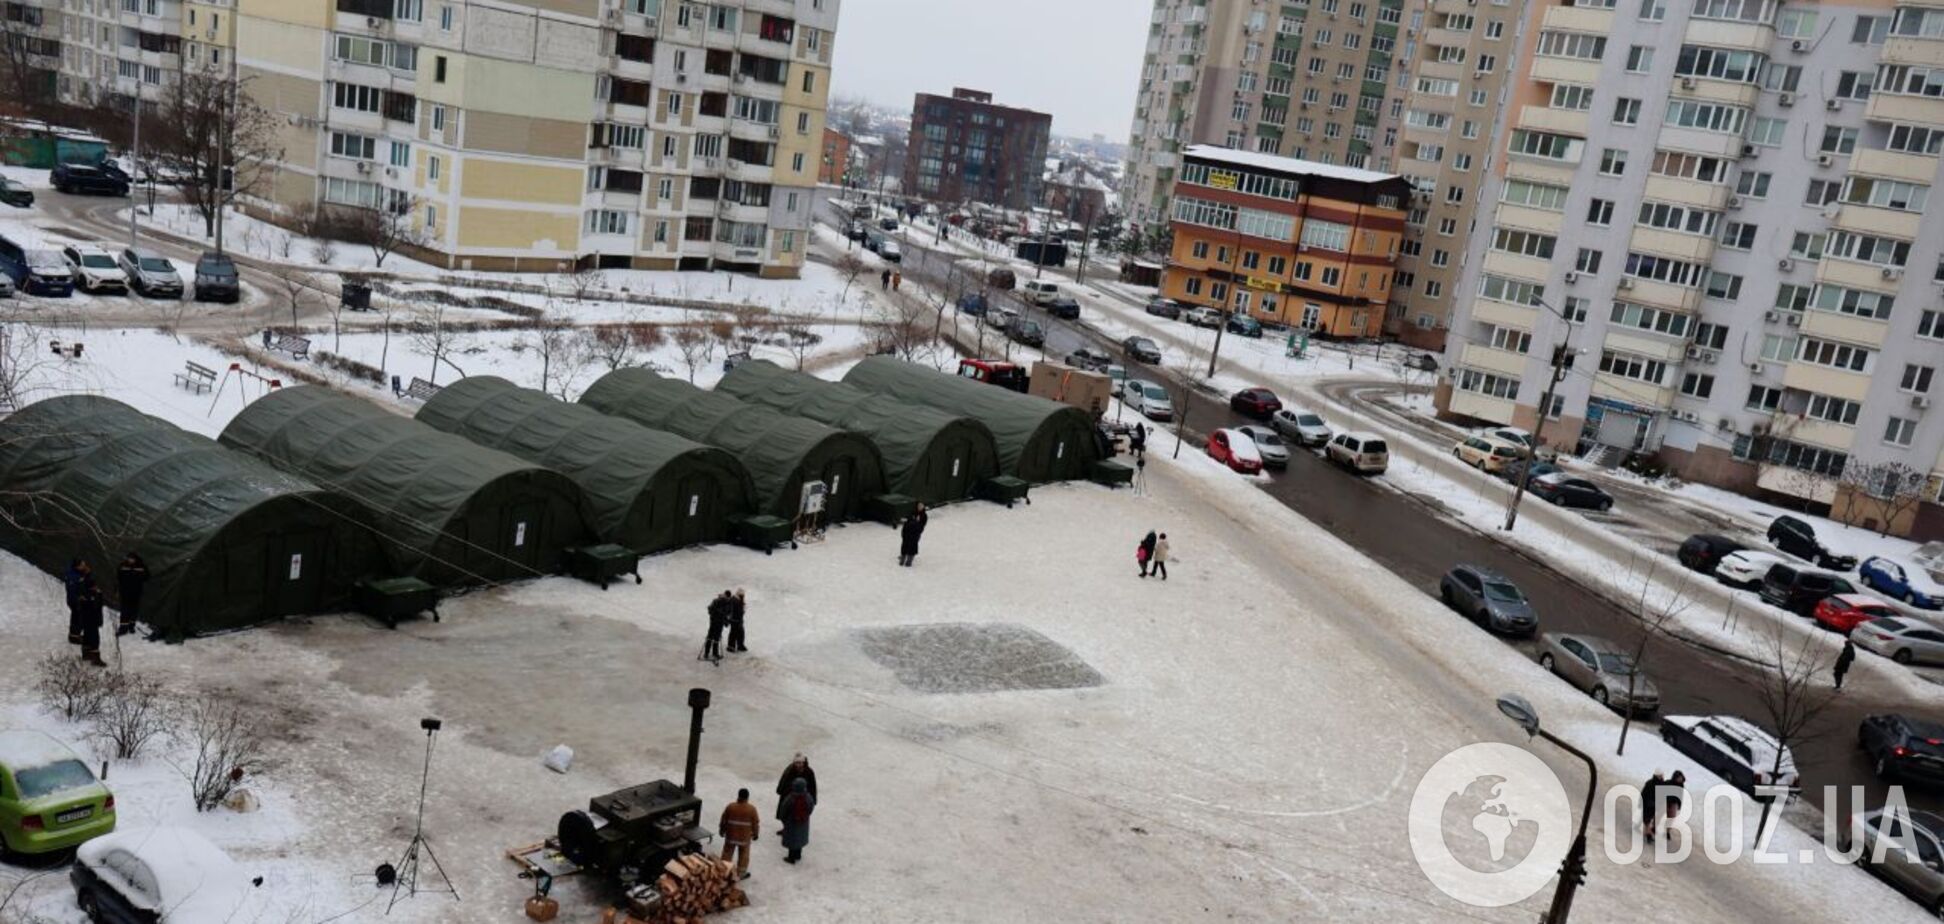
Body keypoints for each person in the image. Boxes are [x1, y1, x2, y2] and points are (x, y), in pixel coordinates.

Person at [718, 788, 760, 880]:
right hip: (744, 838)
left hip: (731, 836)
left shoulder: (730, 807)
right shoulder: (752, 809)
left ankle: (724, 871)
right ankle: (741, 873)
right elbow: (755, 823)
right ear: (747, 797)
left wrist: (722, 830)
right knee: (744, 856)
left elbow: (724, 820)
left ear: (738, 796)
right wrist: (756, 834)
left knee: (727, 854)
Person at [777, 777, 815, 865]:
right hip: (803, 822)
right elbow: (811, 808)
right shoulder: (808, 797)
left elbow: (783, 810)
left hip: (791, 822)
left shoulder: (790, 798)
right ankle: (798, 855)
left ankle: (791, 858)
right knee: (800, 839)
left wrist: (784, 819)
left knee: (792, 840)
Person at [74, 574, 106, 667]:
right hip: (92, 621)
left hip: (85, 620)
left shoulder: (82, 594)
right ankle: (95, 659)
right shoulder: (92, 596)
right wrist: (99, 594)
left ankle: (86, 655)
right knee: (95, 639)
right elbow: (97, 607)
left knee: (87, 637)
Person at [116, 552, 148, 637]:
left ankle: (131, 626)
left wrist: (139, 577)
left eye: (132, 559)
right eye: (129, 558)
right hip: (125, 592)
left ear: (135, 559)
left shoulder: (141, 566)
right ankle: (123, 628)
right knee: (124, 610)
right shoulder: (123, 566)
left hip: (136, 592)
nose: (130, 560)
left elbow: (147, 577)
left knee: (134, 610)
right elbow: (118, 577)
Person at [64, 558, 88, 646]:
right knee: (77, 619)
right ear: (77, 566)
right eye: (82, 565)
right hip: (74, 601)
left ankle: (75, 635)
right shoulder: (72, 577)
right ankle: (74, 638)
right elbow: (72, 591)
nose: (84, 566)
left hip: (78, 600)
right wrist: (78, 599)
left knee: (78, 618)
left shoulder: (77, 572)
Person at [703, 591, 730, 663]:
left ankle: (706, 653)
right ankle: (715, 654)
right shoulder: (726, 603)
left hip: (713, 622)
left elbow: (709, 609)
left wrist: (713, 616)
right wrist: (726, 622)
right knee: (716, 638)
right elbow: (725, 614)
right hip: (718, 623)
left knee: (710, 637)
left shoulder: (715, 601)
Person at [898, 503, 928, 567]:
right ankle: (903, 557)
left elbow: (922, 525)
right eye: (918, 506)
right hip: (907, 532)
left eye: (921, 506)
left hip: (915, 533)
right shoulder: (913, 512)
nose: (919, 507)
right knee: (905, 545)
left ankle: (909, 561)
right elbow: (907, 520)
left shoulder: (924, 515)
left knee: (912, 546)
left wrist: (916, 524)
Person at [1640, 771, 1665, 842]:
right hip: (1648, 805)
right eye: (1661, 775)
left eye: (1662, 775)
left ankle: (1647, 834)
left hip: (1654, 805)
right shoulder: (1650, 783)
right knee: (1647, 820)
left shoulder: (1661, 784)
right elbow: (1644, 793)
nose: (1662, 776)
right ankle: (1648, 835)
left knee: (1648, 820)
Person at [727, 589, 748, 653]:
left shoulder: (739, 600)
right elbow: (733, 611)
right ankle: (731, 647)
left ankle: (740, 646)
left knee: (741, 633)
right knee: (734, 633)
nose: (743, 597)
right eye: (742, 595)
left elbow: (741, 610)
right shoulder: (734, 600)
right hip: (734, 620)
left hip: (739, 620)